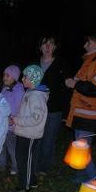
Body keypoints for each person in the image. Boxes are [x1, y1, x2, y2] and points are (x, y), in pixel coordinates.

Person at [65, 30, 96, 183]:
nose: (84, 45)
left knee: (82, 149)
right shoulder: (92, 59)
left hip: (90, 113)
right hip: (85, 112)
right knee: (82, 148)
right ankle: (82, 176)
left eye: (88, 42)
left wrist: (74, 83)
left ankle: (95, 180)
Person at [33, 35, 72, 175]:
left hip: (54, 110)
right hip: (35, 109)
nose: (48, 46)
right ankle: (33, 164)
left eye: (51, 43)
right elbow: (26, 84)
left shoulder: (61, 63)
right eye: (45, 43)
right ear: (40, 47)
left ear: (55, 47)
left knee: (48, 139)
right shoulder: (34, 65)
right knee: (35, 137)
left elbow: (69, 84)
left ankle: (44, 167)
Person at [12, 65, 49, 192]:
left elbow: (36, 118)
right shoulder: (30, 92)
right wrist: (16, 117)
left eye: (25, 77)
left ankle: (24, 185)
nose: (22, 79)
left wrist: (17, 120)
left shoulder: (37, 96)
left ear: (33, 79)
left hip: (30, 134)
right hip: (23, 132)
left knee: (24, 160)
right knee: (24, 158)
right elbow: (26, 112)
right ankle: (32, 181)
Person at [0, 65, 25, 175]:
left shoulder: (19, 90)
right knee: (0, 146)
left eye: (7, 75)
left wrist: (12, 118)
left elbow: (19, 107)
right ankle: (1, 165)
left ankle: (16, 167)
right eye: (4, 74)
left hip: (12, 126)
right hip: (2, 125)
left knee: (12, 148)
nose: (4, 77)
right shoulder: (4, 88)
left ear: (14, 77)